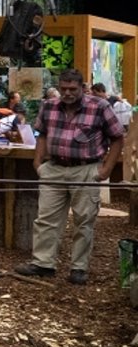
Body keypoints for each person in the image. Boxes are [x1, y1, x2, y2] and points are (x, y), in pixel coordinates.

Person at [17, 69, 125, 285]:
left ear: (82, 88)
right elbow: (42, 134)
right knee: (46, 218)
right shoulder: (49, 106)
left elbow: (118, 137)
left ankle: (79, 267)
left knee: (84, 220)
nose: (67, 93)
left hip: (85, 168)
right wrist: (38, 163)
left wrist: (106, 170)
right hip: (54, 167)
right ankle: (43, 263)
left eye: (72, 89)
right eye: (63, 88)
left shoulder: (99, 107)